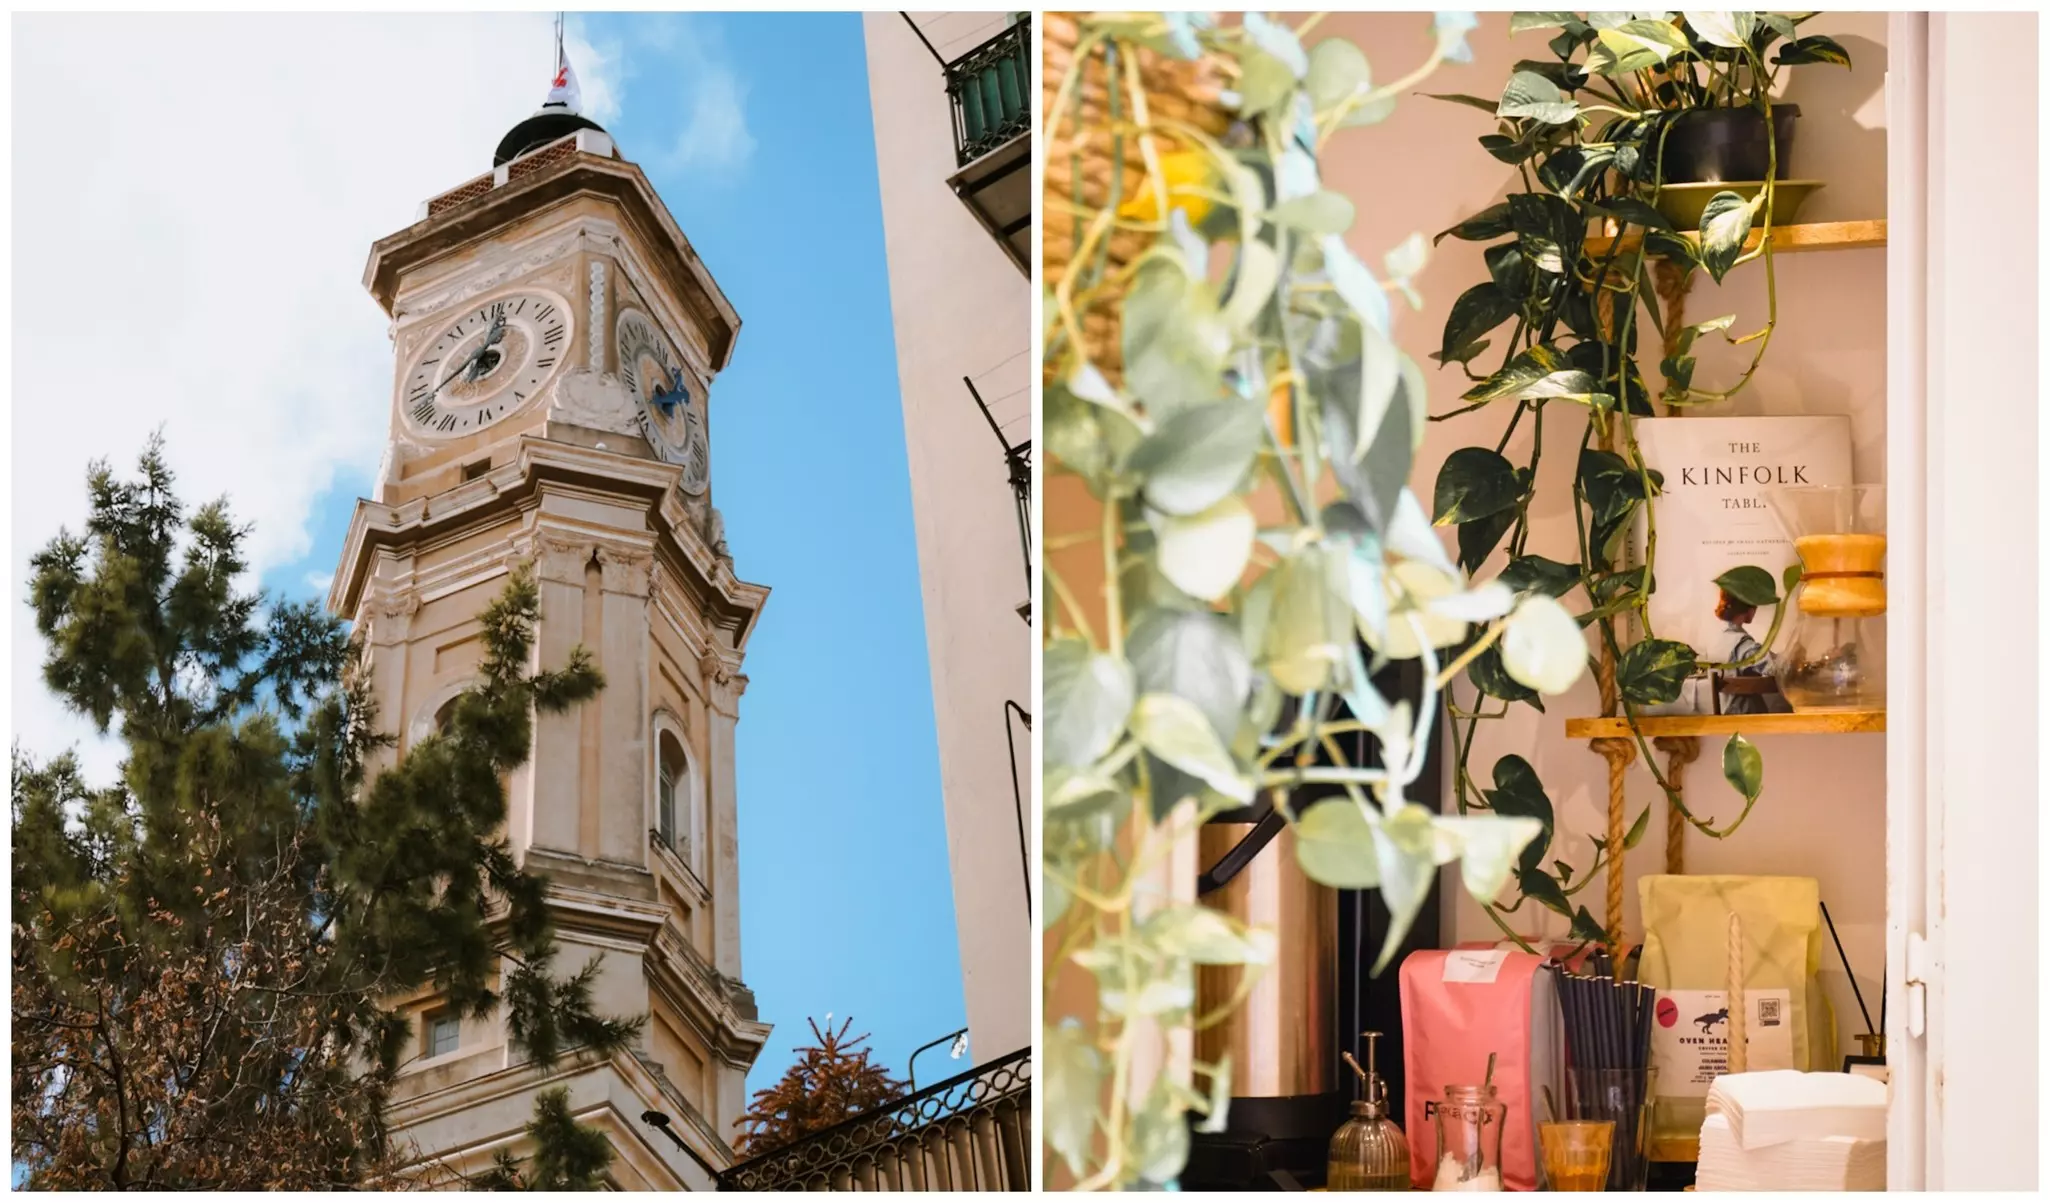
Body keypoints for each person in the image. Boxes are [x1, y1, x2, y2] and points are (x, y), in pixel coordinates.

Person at [1709, 588, 1790, 715]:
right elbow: (1777, 669)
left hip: (1722, 712)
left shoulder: (1715, 639)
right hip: (1744, 715)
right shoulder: (1742, 644)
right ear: (1749, 608)